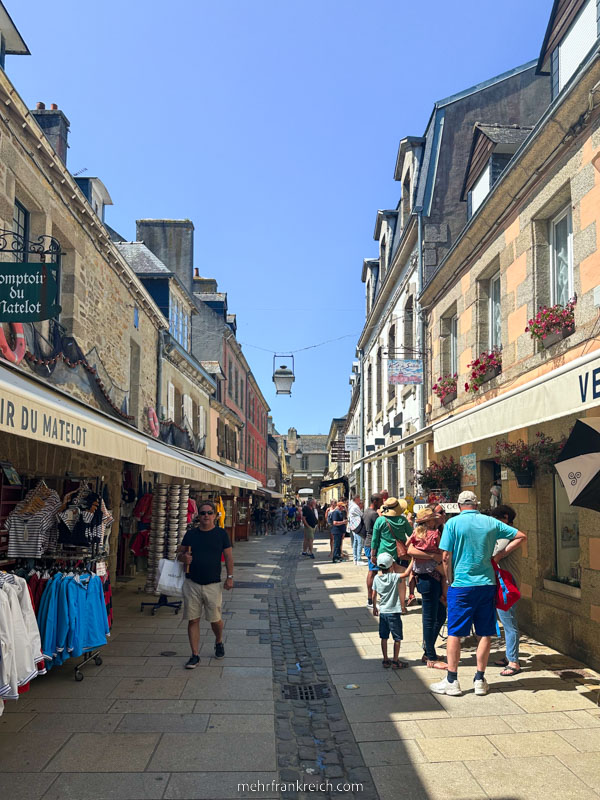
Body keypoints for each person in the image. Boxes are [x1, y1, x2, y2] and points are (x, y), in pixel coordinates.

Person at [430, 490, 526, 697]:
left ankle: (452, 681)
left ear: (458, 505)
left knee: (455, 632)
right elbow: (520, 536)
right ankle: (480, 680)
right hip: (486, 584)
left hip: (461, 585)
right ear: (476, 504)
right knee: (485, 632)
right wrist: (500, 554)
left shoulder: (453, 524)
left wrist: (449, 579)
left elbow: (445, 556)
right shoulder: (491, 522)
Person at [178, 500, 234, 668]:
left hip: (213, 584)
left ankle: (218, 641)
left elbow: (229, 557)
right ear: (198, 516)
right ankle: (195, 654)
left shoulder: (221, 534)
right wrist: (183, 558)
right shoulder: (191, 535)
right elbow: (179, 554)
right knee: (193, 620)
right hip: (192, 582)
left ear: (215, 516)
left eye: (210, 513)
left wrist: (230, 577)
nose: (206, 516)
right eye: (203, 513)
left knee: (215, 620)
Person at [406, 507, 447, 669]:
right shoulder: (435, 534)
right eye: (433, 518)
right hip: (433, 577)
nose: (436, 520)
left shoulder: (417, 533)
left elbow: (408, 547)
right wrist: (434, 556)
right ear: (429, 521)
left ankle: (428, 649)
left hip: (422, 577)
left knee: (439, 614)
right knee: (430, 618)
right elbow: (442, 553)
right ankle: (430, 656)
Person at [486, 504, 522, 677]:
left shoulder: (507, 534)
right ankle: (510, 656)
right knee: (507, 622)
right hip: (504, 583)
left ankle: (513, 662)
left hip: (507, 585)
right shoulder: (508, 534)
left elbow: (494, 553)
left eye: (497, 519)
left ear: (505, 519)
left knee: (509, 623)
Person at [370, 497, 412, 612]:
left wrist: (373, 555)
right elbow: (412, 535)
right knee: (401, 580)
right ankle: (402, 606)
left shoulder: (380, 520)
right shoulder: (402, 520)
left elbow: (375, 539)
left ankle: (385, 604)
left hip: (383, 554)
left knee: (384, 579)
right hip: (400, 554)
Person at [372, 552, 407, 670]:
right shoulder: (394, 577)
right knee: (397, 638)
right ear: (391, 566)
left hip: (383, 612)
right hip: (394, 612)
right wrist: (413, 560)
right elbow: (406, 573)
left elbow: (373, 595)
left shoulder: (377, 578)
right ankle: (395, 660)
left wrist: (374, 607)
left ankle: (385, 659)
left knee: (384, 637)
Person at [363, 493, 383, 608]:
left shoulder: (366, 511)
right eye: (380, 501)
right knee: (373, 571)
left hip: (367, 542)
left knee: (373, 571)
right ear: (375, 501)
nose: (382, 503)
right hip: (372, 545)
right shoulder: (374, 514)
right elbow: (379, 529)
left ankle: (372, 598)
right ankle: (370, 600)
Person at [347, 495, 365, 564]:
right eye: (359, 499)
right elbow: (361, 515)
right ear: (356, 499)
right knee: (359, 542)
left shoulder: (351, 505)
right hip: (357, 526)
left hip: (353, 526)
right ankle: (358, 559)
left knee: (355, 542)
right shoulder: (355, 507)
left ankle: (355, 559)